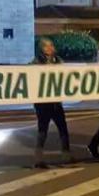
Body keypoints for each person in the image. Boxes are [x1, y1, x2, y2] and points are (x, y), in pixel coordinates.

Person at [31, 37, 74, 168]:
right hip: (42, 103)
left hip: (56, 102)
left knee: (63, 128)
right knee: (43, 130)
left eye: (51, 45)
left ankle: (66, 155)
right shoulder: (36, 62)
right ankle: (38, 158)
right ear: (41, 48)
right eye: (46, 46)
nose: (49, 48)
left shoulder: (58, 61)